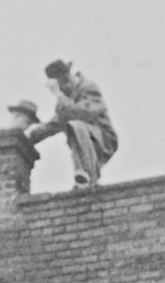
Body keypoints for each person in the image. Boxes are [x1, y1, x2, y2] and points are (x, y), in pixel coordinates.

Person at [36, 59, 117, 188]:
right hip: (85, 137)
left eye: (62, 88)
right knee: (74, 126)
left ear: (66, 79)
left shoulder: (89, 88)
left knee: (76, 125)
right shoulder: (70, 99)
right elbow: (56, 123)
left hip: (103, 138)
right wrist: (28, 136)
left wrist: (58, 94)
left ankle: (87, 176)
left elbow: (83, 113)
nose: (63, 93)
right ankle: (84, 179)